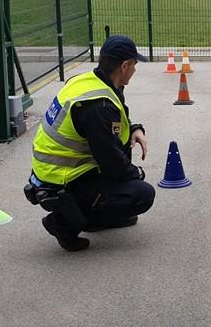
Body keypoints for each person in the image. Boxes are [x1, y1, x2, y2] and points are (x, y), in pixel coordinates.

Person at [27, 35, 155, 252]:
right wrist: (136, 174)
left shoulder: (88, 82)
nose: (135, 70)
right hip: (61, 177)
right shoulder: (98, 106)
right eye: (134, 64)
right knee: (142, 194)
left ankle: (102, 214)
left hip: (53, 169)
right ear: (124, 66)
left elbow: (113, 126)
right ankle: (63, 224)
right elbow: (110, 158)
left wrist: (134, 128)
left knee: (124, 159)